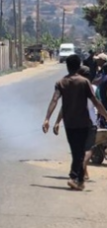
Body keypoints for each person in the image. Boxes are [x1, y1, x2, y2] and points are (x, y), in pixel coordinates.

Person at [43, 55, 107, 190]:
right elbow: (96, 102)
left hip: (69, 123)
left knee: (76, 151)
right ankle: (75, 178)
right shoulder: (84, 82)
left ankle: (78, 179)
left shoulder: (61, 82)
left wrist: (47, 118)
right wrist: (105, 115)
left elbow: (54, 100)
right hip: (84, 122)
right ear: (78, 66)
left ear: (67, 66)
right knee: (82, 151)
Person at [53, 66, 99, 183]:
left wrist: (57, 121)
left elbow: (64, 107)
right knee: (89, 149)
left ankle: (83, 173)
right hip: (90, 122)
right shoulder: (94, 88)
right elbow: (98, 104)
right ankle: (81, 168)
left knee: (78, 150)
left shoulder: (72, 88)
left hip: (73, 122)